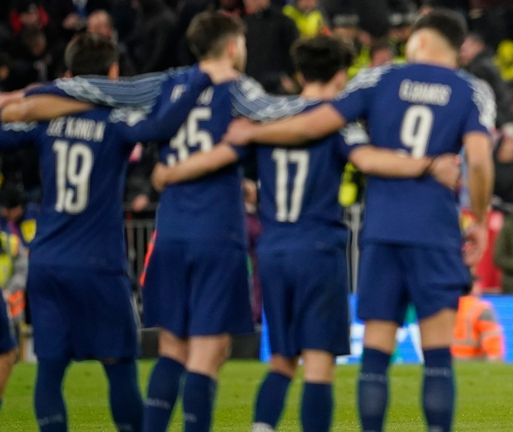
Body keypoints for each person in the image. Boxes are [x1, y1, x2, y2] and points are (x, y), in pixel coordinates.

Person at [6, 11, 301, 431]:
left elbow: (101, 94)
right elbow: (277, 112)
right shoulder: (234, 88)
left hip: (158, 234)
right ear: (233, 47)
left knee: (164, 351)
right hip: (207, 233)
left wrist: (25, 97)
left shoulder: (165, 85)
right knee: (202, 354)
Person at [150, 34, 461, 432]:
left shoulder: (270, 119)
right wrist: (429, 165)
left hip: (273, 251)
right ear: (342, 75)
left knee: (281, 360)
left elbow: (223, 154)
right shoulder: (337, 123)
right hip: (318, 250)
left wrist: (168, 174)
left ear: (299, 73)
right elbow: (368, 160)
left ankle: (261, 427)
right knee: (318, 364)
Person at [221, 9, 495, 432]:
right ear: (456, 47)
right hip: (436, 232)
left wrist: (253, 133)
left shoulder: (377, 79)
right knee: (438, 352)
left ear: (417, 40)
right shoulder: (472, 90)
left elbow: (313, 123)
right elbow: (478, 161)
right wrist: (477, 217)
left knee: (375, 351)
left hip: (381, 232)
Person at [0, 33, 214, 432]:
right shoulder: (115, 122)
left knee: (49, 369)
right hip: (98, 263)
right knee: (119, 367)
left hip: (46, 262)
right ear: (114, 73)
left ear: (67, 73)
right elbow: (160, 125)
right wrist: (201, 80)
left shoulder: (45, 122)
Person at [451, 284, 505, 361]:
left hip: (444, 365)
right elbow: (494, 352)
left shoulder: (441, 307)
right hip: (472, 364)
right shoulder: (481, 309)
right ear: (474, 287)